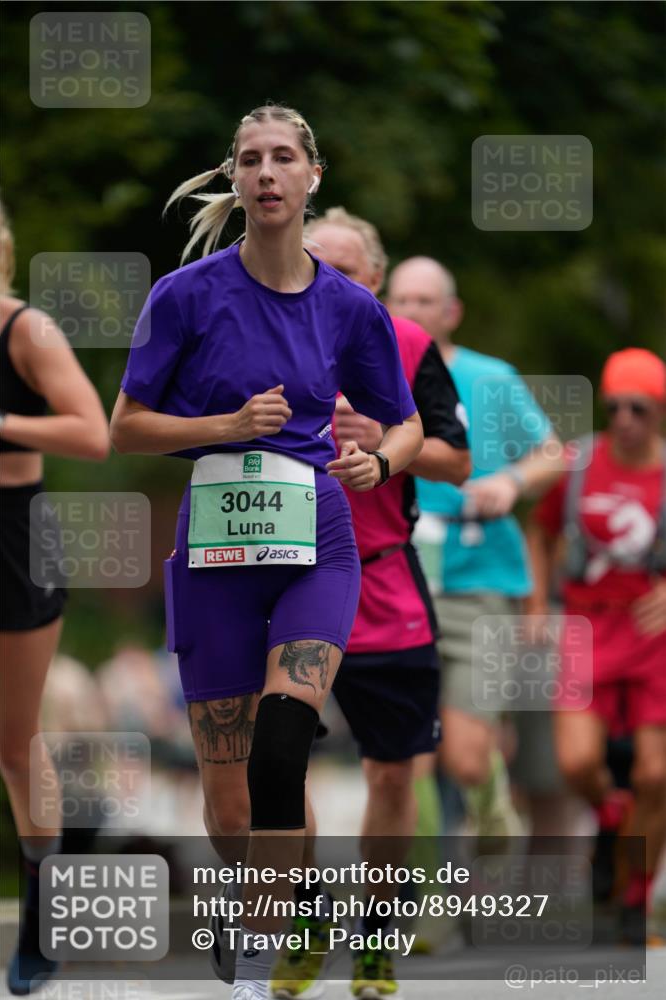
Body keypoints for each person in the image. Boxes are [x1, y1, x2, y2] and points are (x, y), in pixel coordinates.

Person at [109, 105, 423, 1000]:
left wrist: (375, 460)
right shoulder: (187, 296)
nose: (267, 173)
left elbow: (400, 421)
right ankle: (274, 897)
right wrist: (226, 425)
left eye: (284, 157)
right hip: (213, 553)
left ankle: (255, 970)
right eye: (251, 160)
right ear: (236, 179)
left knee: (284, 745)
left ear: (311, 176)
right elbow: (125, 427)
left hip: (314, 544)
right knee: (231, 800)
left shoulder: (349, 307)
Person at [267, 207, 467, 999]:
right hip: (287, 576)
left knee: (392, 775)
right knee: (280, 765)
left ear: (375, 281)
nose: (334, 284)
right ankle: (310, 915)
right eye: (321, 267)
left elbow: (455, 460)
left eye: (349, 273)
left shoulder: (407, 345)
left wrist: (387, 438)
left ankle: (378, 934)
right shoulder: (268, 336)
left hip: (381, 581)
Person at [385, 256, 563, 849]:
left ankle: (489, 804)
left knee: (462, 755)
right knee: (407, 751)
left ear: (451, 311)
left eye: (424, 301)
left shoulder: (491, 379)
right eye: (400, 300)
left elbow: (551, 453)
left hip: (482, 575)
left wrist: (509, 483)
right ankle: (423, 901)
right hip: (400, 575)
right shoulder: (373, 376)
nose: (410, 311)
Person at [0, 200, 110, 994]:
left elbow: (93, 431)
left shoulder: (26, 330)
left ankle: (42, 915)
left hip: (13, 535)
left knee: (14, 741)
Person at [526, 348, 666, 943]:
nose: (626, 418)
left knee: (656, 776)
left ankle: (635, 895)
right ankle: (612, 819)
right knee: (577, 761)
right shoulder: (580, 463)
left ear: (659, 409)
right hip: (586, 626)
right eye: (615, 406)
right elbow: (540, 529)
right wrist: (537, 604)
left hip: (653, 633)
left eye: (639, 407)